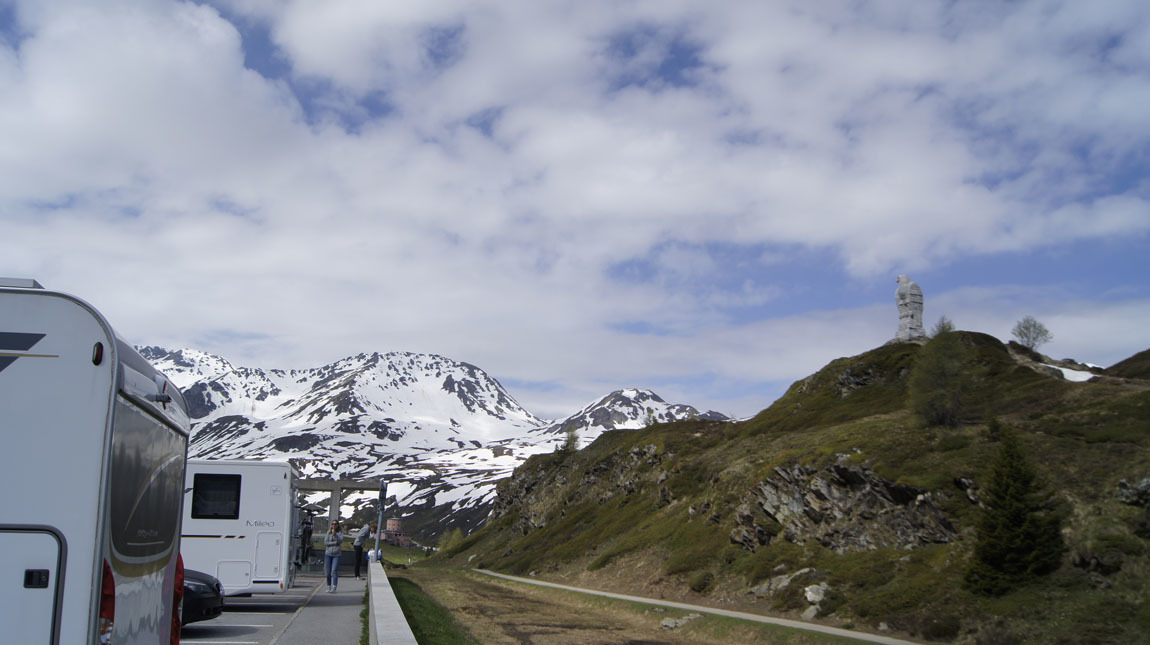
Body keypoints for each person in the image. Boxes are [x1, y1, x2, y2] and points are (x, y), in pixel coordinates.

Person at [324, 520, 343, 593]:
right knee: (328, 572)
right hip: (328, 553)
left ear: (338, 525)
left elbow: (340, 541)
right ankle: (329, 586)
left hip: (336, 554)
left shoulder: (340, 533)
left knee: (334, 571)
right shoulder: (328, 533)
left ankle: (334, 587)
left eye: (335, 524)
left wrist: (335, 535)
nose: (334, 525)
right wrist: (334, 543)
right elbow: (325, 542)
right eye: (332, 524)